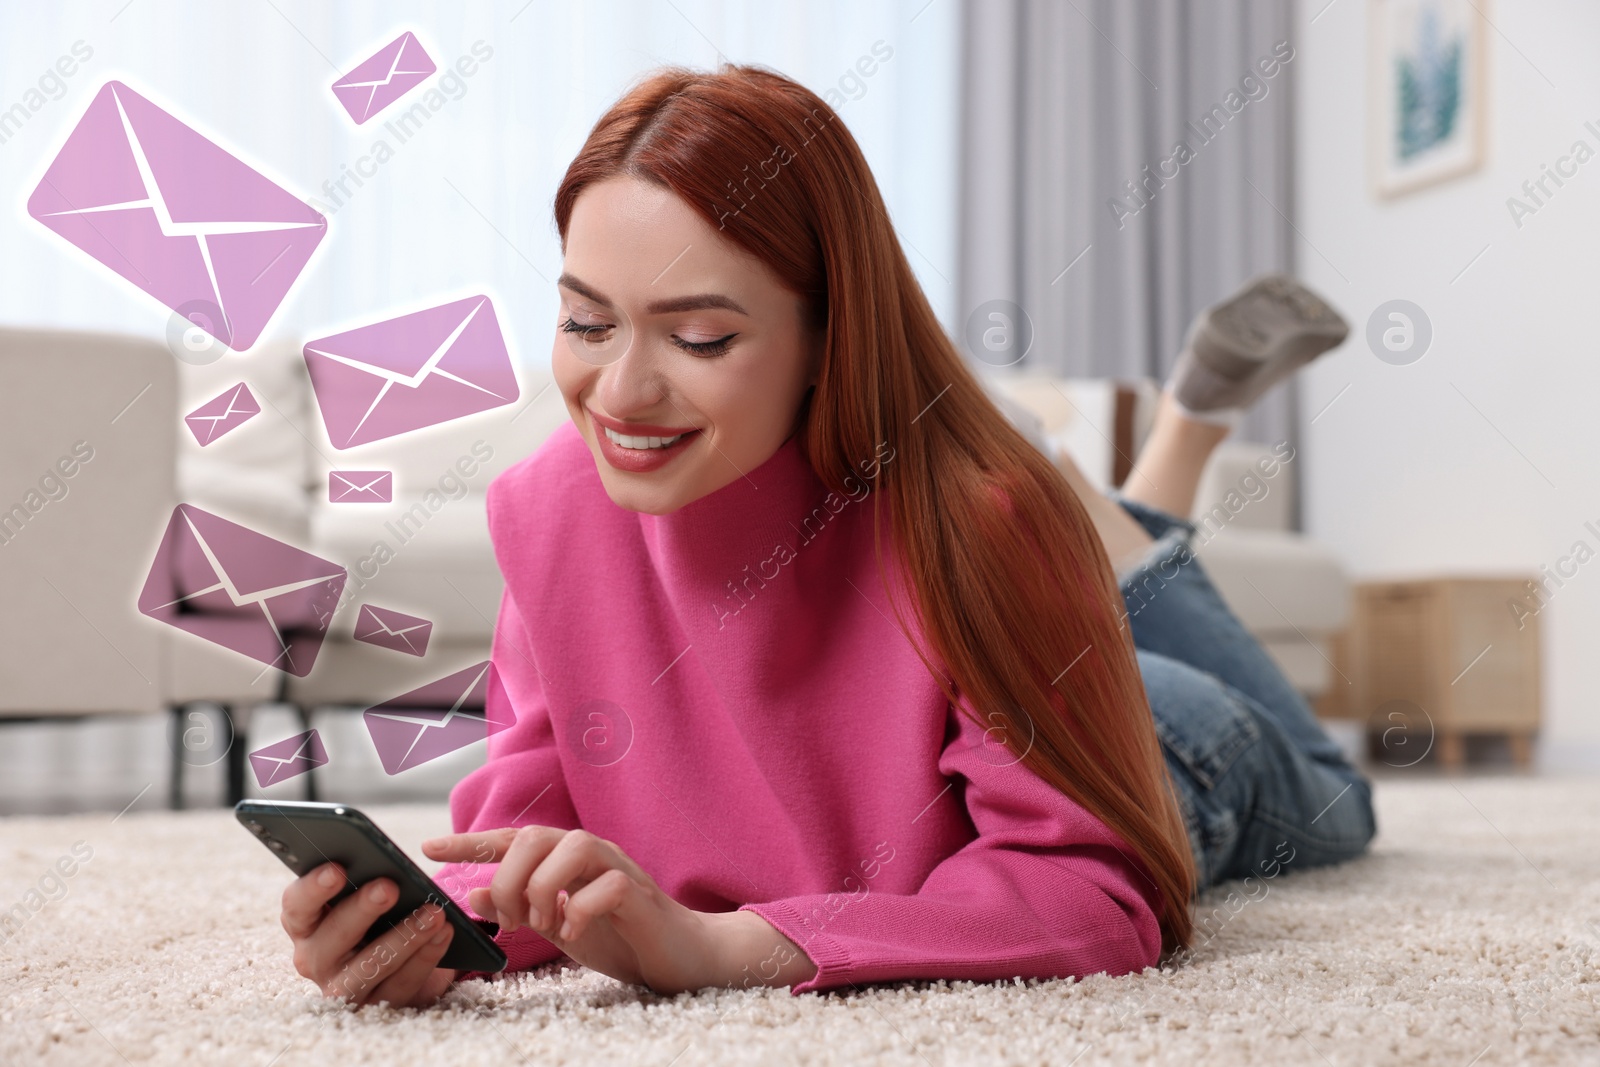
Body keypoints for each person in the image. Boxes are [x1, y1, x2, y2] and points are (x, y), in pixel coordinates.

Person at [278, 63, 1374, 1009]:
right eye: (584, 321)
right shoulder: (550, 508)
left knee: (1342, 796)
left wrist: (721, 946)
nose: (619, 390)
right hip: (1008, 634)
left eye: (699, 334)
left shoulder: (977, 527)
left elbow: (1094, 896)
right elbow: (520, 845)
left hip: (1160, 739)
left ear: (825, 336)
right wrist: (426, 933)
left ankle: (1164, 451)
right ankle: (1108, 510)